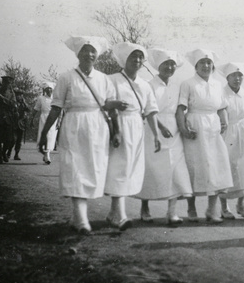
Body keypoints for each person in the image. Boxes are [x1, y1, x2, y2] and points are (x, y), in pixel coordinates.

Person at [38, 35, 122, 234]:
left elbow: (111, 108)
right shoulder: (66, 77)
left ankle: (77, 216)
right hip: (74, 125)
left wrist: (116, 131)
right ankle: (81, 218)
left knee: (93, 169)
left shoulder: (103, 79)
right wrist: (44, 134)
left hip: (98, 127)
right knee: (75, 168)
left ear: (97, 55)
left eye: (93, 51)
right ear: (78, 54)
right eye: (85, 51)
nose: (89, 54)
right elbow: (56, 108)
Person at [104, 42, 161, 231]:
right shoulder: (112, 80)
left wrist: (156, 134)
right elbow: (102, 104)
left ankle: (113, 212)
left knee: (130, 169)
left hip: (137, 127)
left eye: (139, 57)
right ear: (124, 59)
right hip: (118, 125)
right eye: (132, 57)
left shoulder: (144, 84)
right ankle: (120, 215)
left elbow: (151, 110)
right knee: (119, 167)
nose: (136, 60)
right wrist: (114, 111)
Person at [134, 48, 193, 226]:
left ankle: (172, 212)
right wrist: (160, 127)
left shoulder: (177, 86)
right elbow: (146, 110)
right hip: (153, 129)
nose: (169, 67)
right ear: (158, 66)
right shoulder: (148, 85)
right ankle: (145, 207)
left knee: (176, 170)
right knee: (151, 169)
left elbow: (181, 110)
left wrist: (184, 125)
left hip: (174, 131)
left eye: (172, 64)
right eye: (165, 64)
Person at [176, 48, 234, 223]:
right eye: (202, 63)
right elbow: (181, 108)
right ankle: (191, 208)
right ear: (196, 66)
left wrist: (224, 120)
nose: (206, 66)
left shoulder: (217, 84)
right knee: (194, 166)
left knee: (216, 166)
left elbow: (222, 106)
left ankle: (211, 209)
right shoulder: (188, 83)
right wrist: (183, 128)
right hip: (195, 126)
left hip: (213, 127)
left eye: (209, 63)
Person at [217, 62, 244, 219]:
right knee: (226, 167)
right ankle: (224, 206)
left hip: (243, 133)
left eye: (240, 75)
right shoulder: (220, 93)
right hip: (226, 133)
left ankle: (241, 204)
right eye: (233, 75)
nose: (237, 78)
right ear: (227, 77)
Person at [0, 75, 17, 164]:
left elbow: (13, 104)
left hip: (8, 118)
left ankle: (3, 153)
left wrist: (3, 98)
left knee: (9, 140)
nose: (7, 85)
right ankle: (0, 158)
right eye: (5, 83)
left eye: (8, 83)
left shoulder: (12, 93)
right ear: (3, 83)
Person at [33, 82, 58, 164]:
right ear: (45, 90)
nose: (49, 90)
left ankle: (47, 154)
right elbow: (36, 109)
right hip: (43, 118)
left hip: (53, 119)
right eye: (47, 89)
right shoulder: (41, 98)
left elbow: (59, 110)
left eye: (50, 88)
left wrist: (59, 121)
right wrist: (31, 119)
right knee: (45, 136)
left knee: (51, 137)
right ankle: (46, 154)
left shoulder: (55, 98)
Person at [6, 90, 30, 160]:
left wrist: (24, 102)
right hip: (13, 123)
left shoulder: (23, 104)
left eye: (21, 95)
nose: (20, 97)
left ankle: (16, 154)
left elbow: (28, 109)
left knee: (19, 141)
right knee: (12, 139)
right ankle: (9, 152)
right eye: (18, 95)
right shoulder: (13, 103)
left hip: (21, 124)